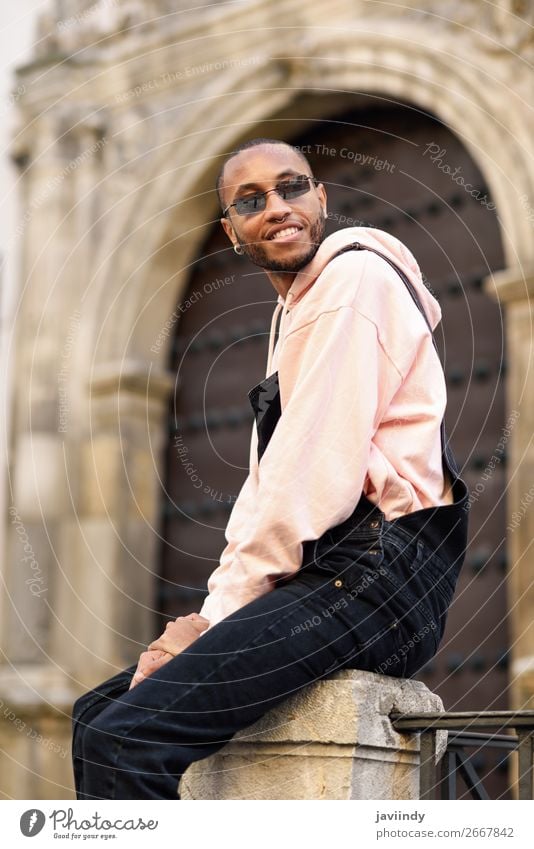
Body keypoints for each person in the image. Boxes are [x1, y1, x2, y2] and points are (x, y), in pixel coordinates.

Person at [71, 137, 469, 800]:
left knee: (126, 739)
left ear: (322, 198)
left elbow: (307, 478)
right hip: (336, 580)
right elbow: (271, 486)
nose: (277, 207)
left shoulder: (350, 283)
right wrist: (210, 618)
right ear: (231, 232)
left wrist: (208, 621)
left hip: (380, 582)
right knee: (94, 719)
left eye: (291, 187)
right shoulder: (295, 312)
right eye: (251, 201)